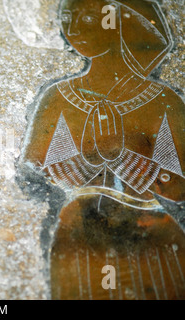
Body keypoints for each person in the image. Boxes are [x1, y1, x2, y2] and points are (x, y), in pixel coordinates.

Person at [20, 0, 185, 299]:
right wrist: (91, 161)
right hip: (78, 235)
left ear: (123, 24)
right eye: (70, 18)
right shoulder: (57, 97)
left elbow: (179, 190)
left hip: (151, 232)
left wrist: (123, 158)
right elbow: (33, 178)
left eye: (87, 18)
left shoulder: (163, 99)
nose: (72, 28)